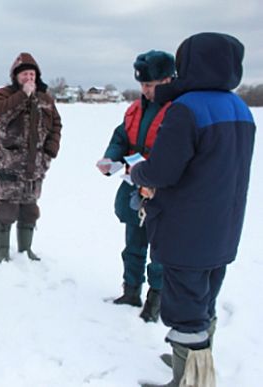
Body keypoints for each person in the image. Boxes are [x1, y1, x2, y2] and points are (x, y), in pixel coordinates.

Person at [130, 33, 256, 387]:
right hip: (224, 227)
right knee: (204, 301)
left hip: (188, 230)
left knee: (185, 311)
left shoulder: (188, 108)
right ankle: (195, 361)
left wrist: (138, 171)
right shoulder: (240, 108)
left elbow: (162, 172)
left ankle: (191, 379)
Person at [96, 50, 175, 323]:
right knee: (133, 244)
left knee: (161, 251)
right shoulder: (135, 109)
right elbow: (121, 136)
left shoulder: (179, 110)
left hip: (163, 193)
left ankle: (155, 302)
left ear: (167, 80)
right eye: (142, 85)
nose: (145, 90)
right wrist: (111, 157)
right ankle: (131, 291)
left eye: (150, 85)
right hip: (134, 188)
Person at [0, 52, 62, 264]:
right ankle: (1, 254)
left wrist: (50, 150)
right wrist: (23, 95)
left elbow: (56, 124)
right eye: (24, 75)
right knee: (6, 210)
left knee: (30, 210)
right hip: (9, 165)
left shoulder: (46, 99)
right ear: (16, 76)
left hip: (36, 166)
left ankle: (25, 250)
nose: (29, 78)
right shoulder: (2, 95)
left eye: (32, 74)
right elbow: (1, 114)